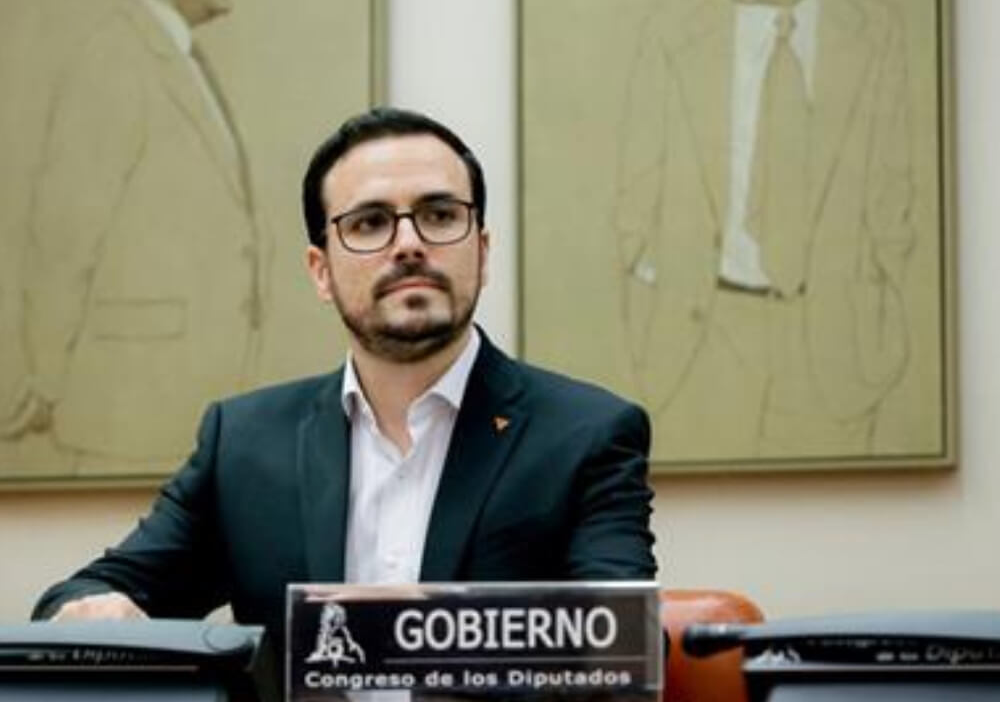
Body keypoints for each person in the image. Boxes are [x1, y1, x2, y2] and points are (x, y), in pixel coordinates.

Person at [33, 108, 656, 658]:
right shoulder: (243, 443)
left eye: (440, 215)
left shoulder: (586, 436)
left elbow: (620, 652)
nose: (409, 244)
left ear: (482, 252)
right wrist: (94, 608)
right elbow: (86, 593)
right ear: (321, 270)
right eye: (369, 223)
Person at [614, 0, 915, 460]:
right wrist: (654, 294)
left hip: (838, 340)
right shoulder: (673, 31)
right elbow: (636, 189)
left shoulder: (874, 31)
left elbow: (896, 192)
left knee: (842, 518)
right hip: (703, 334)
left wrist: (880, 295)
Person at [0, 0, 263, 472]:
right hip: (129, 416)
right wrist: (46, 376)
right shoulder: (114, 58)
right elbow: (64, 236)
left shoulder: (177, 55)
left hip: (185, 404)